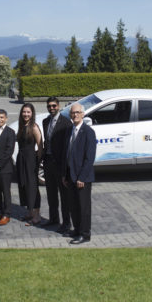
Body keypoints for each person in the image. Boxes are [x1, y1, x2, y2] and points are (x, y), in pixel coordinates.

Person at [64, 103, 97, 244]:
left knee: (83, 208)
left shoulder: (88, 132)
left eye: (78, 112)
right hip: (70, 176)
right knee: (73, 206)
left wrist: (82, 177)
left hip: (82, 178)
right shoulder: (69, 130)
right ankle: (77, 229)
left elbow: (90, 158)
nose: (75, 115)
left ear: (83, 114)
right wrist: (65, 175)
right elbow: (67, 155)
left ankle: (85, 234)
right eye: (73, 113)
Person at [41, 96, 72, 233]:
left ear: (58, 106)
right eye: (49, 106)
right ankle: (54, 219)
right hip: (48, 163)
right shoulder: (45, 121)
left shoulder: (66, 123)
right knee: (51, 193)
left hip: (60, 164)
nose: (51, 108)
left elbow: (67, 147)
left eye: (54, 106)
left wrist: (66, 168)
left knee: (64, 196)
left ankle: (66, 223)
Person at [15, 102, 44, 225]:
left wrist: (37, 162)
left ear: (32, 114)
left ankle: (36, 216)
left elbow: (40, 146)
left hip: (31, 160)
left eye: (28, 112)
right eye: (24, 112)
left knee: (32, 187)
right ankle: (30, 212)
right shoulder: (22, 126)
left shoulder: (34, 127)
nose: (26, 114)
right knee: (24, 186)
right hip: (21, 159)